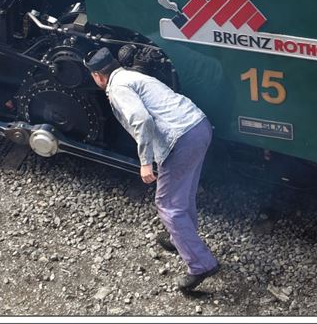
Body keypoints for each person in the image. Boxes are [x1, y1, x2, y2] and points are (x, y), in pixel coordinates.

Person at [86, 46, 220, 292]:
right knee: (184, 192)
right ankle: (178, 239)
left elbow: (142, 119)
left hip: (180, 140)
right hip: (198, 126)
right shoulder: (133, 76)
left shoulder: (117, 88)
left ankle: (201, 264)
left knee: (168, 205)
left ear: (97, 76)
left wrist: (145, 161)